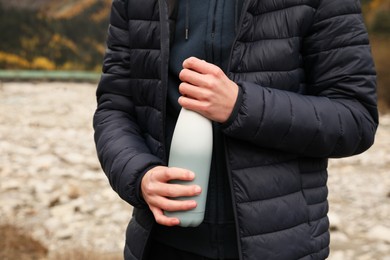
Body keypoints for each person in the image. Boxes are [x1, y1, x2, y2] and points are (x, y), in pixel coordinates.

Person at [93, 0, 378, 259]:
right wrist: (139, 174)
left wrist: (241, 106)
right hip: (160, 244)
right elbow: (115, 107)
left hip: (281, 247)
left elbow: (355, 118)